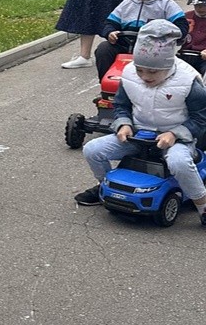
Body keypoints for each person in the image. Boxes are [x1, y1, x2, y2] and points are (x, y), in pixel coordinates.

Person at [77, 19, 206, 219]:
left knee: (179, 162)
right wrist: (124, 124)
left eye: (153, 71)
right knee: (92, 150)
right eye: (140, 69)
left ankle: (202, 205)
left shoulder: (189, 81)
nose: (145, 76)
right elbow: (121, 105)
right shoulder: (129, 74)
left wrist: (174, 134)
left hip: (175, 138)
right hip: (138, 134)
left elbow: (200, 119)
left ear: (169, 64)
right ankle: (106, 185)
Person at [93, 0, 187, 81]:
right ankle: (107, 83)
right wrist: (110, 32)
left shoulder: (166, 5)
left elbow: (182, 26)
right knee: (104, 49)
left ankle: (151, 85)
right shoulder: (126, 4)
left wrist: (164, 36)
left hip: (153, 49)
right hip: (126, 45)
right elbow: (109, 23)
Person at [180, 0, 206, 75]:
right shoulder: (185, 17)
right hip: (184, 56)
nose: (201, 9)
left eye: (204, 5)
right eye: (197, 5)